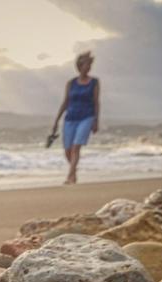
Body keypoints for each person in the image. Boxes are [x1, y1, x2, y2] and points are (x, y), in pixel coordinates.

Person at [51, 51, 100, 184]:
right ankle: (74, 171)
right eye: (86, 64)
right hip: (70, 118)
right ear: (79, 66)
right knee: (67, 150)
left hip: (87, 117)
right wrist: (56, 121)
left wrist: (96, 120)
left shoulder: (94, 82)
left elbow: (96, 102)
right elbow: (65, 101)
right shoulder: (71, 83)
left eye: (90, 64)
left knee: (76, 146)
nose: (88, 67)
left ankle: (70, 177)